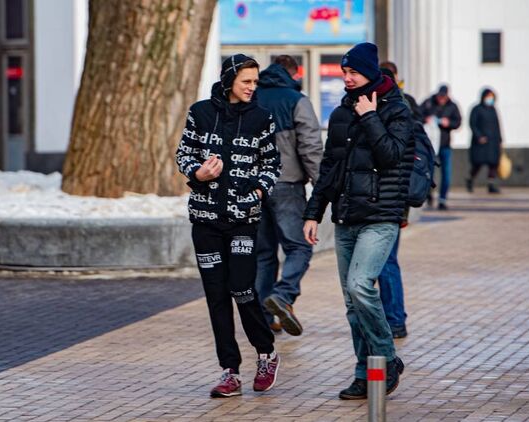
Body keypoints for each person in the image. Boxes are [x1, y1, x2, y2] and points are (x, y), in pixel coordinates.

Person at [303, 42, 410, 400]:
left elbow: (392, 156)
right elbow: (329, 168)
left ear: (370, 73)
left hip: (381, 216)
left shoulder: (396, 109)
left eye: (353, 72)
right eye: (344, 72)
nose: (347, 78)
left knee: (361, 285)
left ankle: (387, 358)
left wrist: (370, 117)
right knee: (352, 303)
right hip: (346, 217)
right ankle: (365, 373)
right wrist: (313, 212)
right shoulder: (340, 113)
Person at [175, 54, 281, 398]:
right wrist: (197, 172)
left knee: (242, 288)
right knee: (216, 295)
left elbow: (272, 164)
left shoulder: (262, 118)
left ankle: (266, 354)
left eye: (255, 82)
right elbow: (183, 154)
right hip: (205, 220)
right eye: (246, 81)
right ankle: (230, 371)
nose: (252, 87)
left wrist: (257, 191)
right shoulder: (201, 112)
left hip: (242, 221)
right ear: (228, 80)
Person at [255, 55, 322, 336]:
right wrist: (321, 185)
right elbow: (310, 146)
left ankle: (264, 319)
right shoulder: (296, 100)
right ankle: (283, 296)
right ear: (294, 74)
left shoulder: (252, 96)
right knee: (300, 247)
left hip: (254, 187)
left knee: (263, 254)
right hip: (287, 184)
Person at [377, 62, 415, 339]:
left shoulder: (398, 108)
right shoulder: (406, 104)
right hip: (396, 200)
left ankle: (394, 319)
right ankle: (393, 318)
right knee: (386, 261)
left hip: (390, 200)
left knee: (386, 261)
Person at [421, 84, 461, 210]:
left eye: (444, 97)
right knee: (428, 172)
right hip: (430, 145)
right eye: (440, 97)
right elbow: (416, 115)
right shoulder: (428, 102)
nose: (441, 99)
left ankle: (442, 199)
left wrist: (448, 123)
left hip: (445, 145)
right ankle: (428, 195)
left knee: (446, 174)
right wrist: (425, 119)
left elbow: (458, 122)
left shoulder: (452, 106)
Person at [467, 88, 503, 194]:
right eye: (488, 96)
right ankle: (470, 180)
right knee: (478, 164)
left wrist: (500, 139)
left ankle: (491, 185)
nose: (490, 99)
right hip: (480, 143)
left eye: (491, 97)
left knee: (493, 164)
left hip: (493, 142)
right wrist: (479, 136)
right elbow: (472, 124)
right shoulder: (476, 109)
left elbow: (497, 125)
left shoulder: (493, 109)